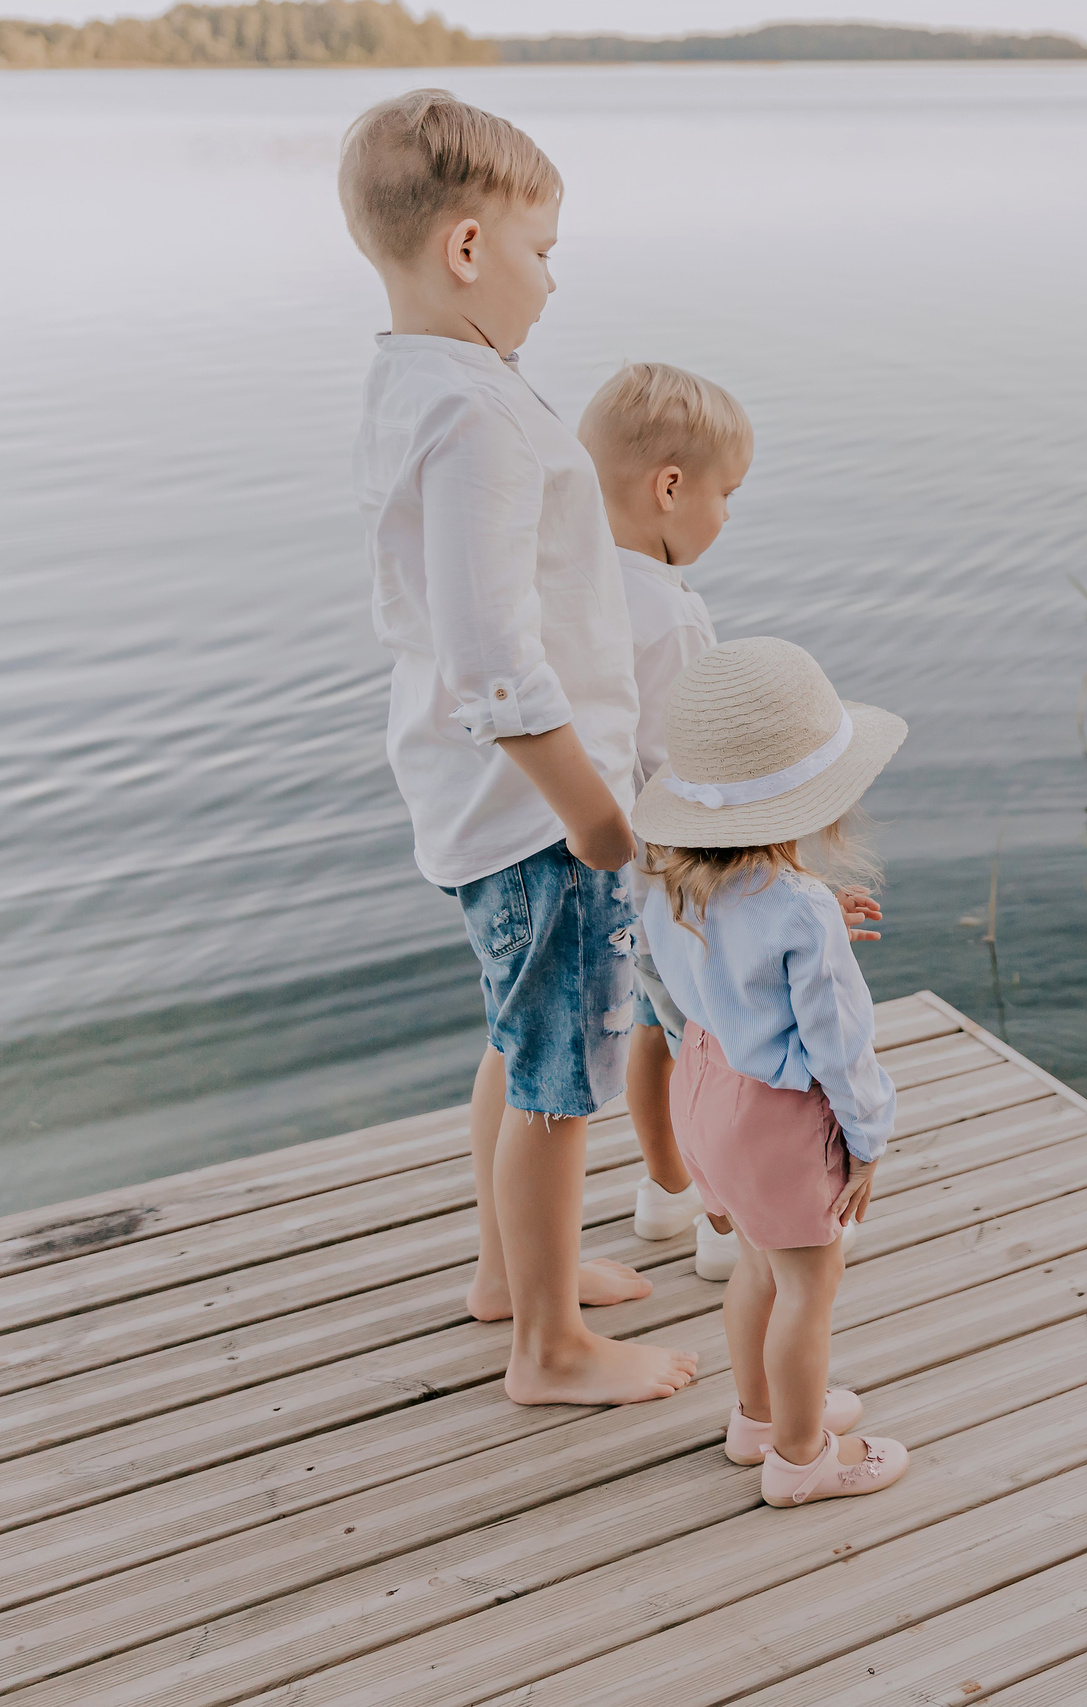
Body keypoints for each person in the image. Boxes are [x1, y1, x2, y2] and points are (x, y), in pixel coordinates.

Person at [342, 89, 696, 1406]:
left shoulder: (422, 379)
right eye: (544, 250)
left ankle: (511, 1268)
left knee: (513, 1034)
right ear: (471, 248)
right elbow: (496, 653)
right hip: (533, 804)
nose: (555, 280)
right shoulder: (478, 414)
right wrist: (595, 812)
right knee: (557, 1074)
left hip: (474, 788)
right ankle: (547, 1342)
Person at [633, 637, 909, 1505]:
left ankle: (757, 1418)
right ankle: (802, 1457)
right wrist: (866, 1138)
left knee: (756, 1264)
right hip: (779, 1118)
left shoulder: (664, 882)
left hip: (705, 1092)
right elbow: (837, 1041)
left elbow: (671, 981)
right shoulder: (800, 908)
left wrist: (820, 908)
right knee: (808, 1289)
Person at [575, 361, 747, 1275]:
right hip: (682, 876)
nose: (727, 515)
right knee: (711, 1047)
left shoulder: (581, 582)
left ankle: (664, 1191)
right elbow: (694, 769)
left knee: (655, 1024)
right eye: (726, 494)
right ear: (671, 487)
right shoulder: (668, 614)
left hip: (618, 877)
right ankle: (726, 1225)